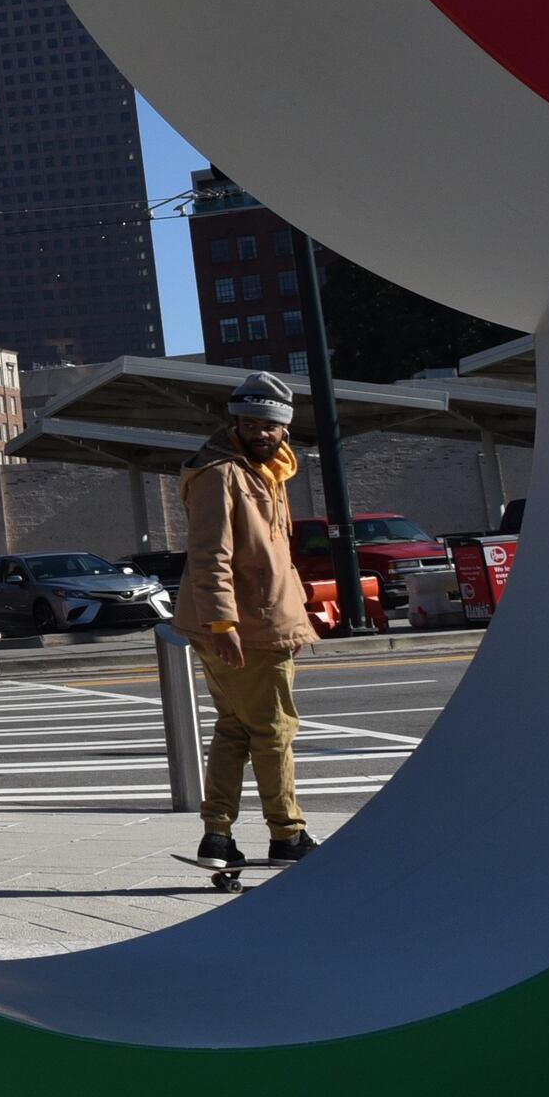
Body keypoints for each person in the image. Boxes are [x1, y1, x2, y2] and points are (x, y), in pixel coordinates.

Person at [178, 367, 317, 873]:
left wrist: (296, 616)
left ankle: (217, 835)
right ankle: (287, 834)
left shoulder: (268, 471)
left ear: (284, 428)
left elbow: (276, 555)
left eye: (270, 424)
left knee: (236, 726)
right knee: (275, 727)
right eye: (251, 422)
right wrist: (223, 625)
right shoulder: (220, 474)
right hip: (244, 625)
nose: (262, 431)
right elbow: (209, 555)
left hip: (261, 619)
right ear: (235, 422)